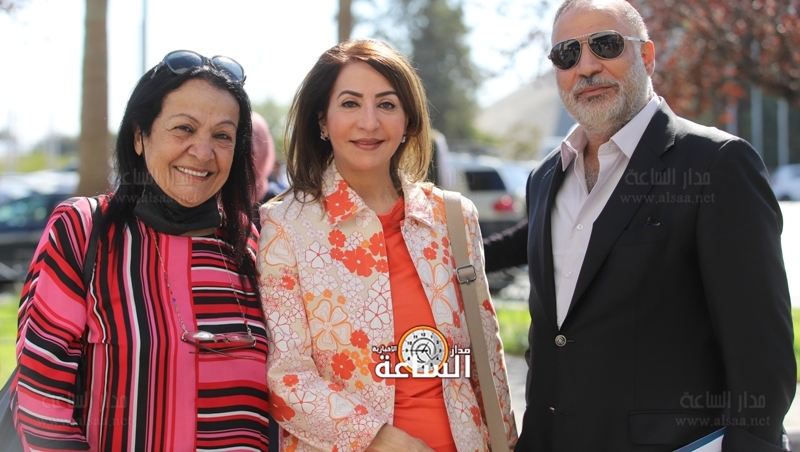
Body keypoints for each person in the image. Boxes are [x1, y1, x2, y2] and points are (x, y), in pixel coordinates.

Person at [495, 0, 795, 451]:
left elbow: (761, 353)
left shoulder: (716, 164)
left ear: (647, 56)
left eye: (606, 45)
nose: (586, 66)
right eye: (567, 54)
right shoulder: (544, 178)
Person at [257, 38, 518, 452]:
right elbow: (287, 378)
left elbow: (484, 358)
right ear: (322, 120)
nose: (369, 122)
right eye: (350, 103)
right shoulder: (285, 225)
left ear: (409, 121)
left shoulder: (453, 217)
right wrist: (384, 441)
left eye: (387, 104)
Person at [11, 50, 271, 451]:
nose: (203, 151)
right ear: (139, 135)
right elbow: (41, 402)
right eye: (184, 128)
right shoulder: (84, 230)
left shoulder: (253, 245)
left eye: (222, 135)